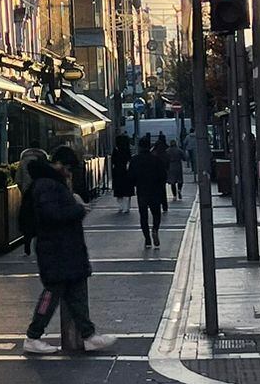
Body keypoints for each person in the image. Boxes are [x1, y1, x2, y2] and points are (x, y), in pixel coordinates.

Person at [18, 145, 117, 355]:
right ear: (59, 164)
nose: (70, 173)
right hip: (55, 248)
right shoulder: (47, 185)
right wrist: (78, 209)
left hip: (63, 247)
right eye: (69, 168)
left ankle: (88, 335)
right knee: (52, 293)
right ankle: (33, 336)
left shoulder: (51, 183)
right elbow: (51, 214)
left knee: (75, 293)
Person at [131, 134, 167, 248]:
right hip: (155, 191)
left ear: (139, 147)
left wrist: (135, 184)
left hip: (142, 191)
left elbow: (130, 176)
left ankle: (147, 240)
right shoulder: (156, 160)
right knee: (156, 214)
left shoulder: (135, 160)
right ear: (149, 146)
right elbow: (163, 176)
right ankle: (155, 229)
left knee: (143, 216)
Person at [110, 133, 134, 214]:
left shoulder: (116, 150)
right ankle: (126, 207)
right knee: (127, 192)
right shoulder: (127, 150)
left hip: (117, 173)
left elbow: (113, 161)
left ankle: (121, 207)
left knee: (119, 192)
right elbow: (130, 160)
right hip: (126, 173)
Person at [153, 133, 171, 214]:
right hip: (163, 172)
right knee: (163, 190)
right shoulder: (166, 148)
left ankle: (157, 205)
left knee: (155, 190)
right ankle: (164, 206)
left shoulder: (155, 149)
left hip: (155, 173)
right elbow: (168, 160)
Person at [166, 133, 185, 201]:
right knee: (180, 180)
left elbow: (165, 159)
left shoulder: (167, 151)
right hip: (178, 165)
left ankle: (174, 195)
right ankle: (179, 189)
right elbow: (184, 157)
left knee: (172, 182)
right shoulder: (179, 150)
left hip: (171, 166)